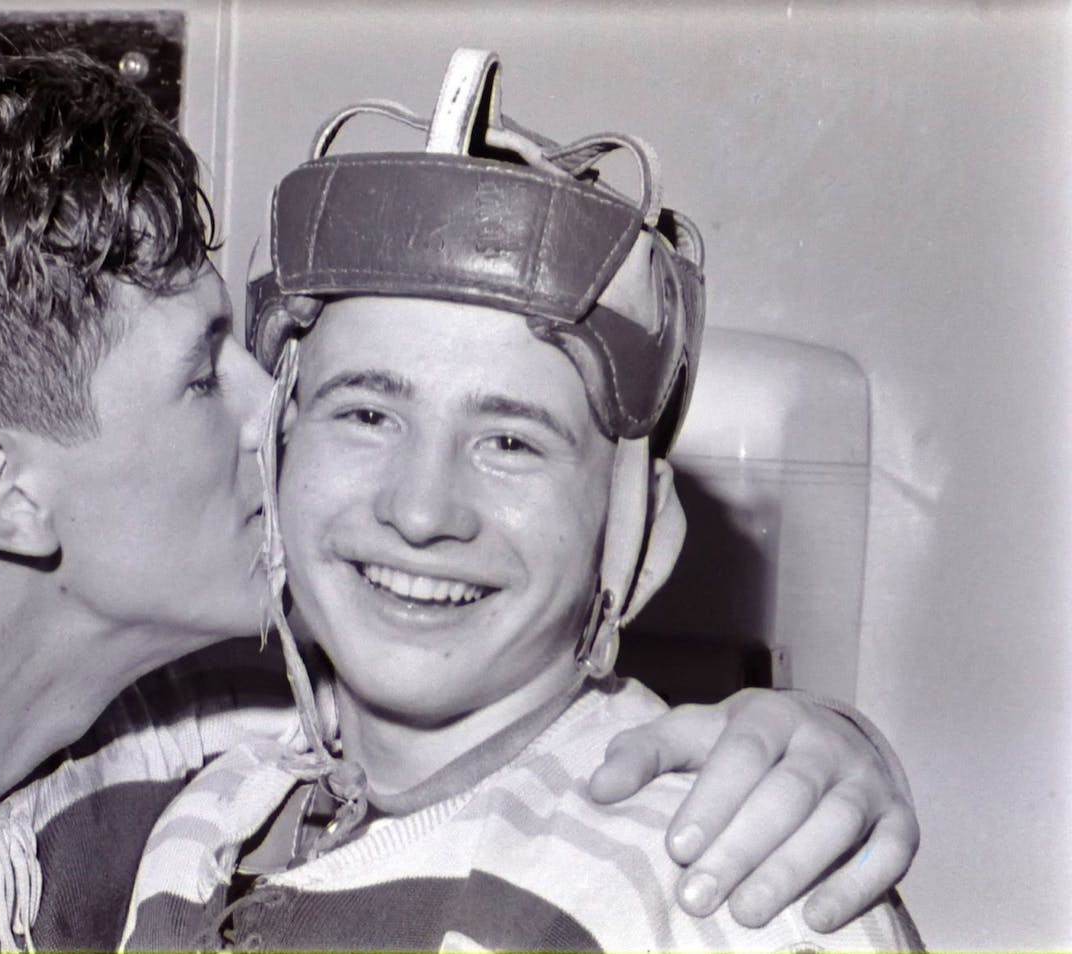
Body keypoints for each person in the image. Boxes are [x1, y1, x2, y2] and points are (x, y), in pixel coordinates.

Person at [0, 49, 913, 951]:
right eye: (207, 377)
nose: (283, 418)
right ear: (11, 501)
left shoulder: (190, 727)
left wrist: (819, 754)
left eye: (510, 439)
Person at [122, 49, 922, 951]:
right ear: (279, 456)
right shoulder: (201, 807)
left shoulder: (724, 883)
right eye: (368, 412)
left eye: (511, 442)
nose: (422, 511)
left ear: (642, 538)